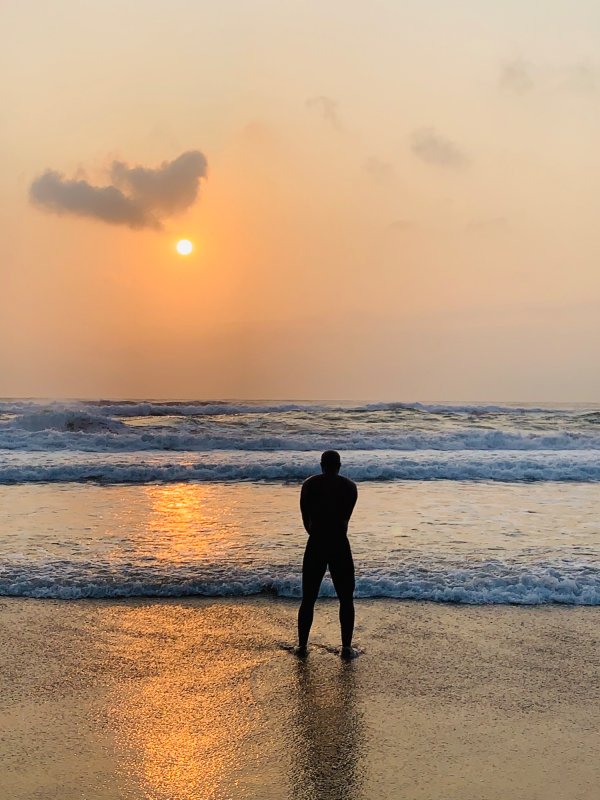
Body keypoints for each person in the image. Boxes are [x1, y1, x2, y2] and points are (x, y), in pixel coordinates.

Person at [295, 450, 358, 659]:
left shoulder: (310, 485)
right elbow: (345, 519)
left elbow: (306, 519)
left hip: (317, 542)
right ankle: (346, 647)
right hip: (339, 542)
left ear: (322, 465)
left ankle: (302, 646)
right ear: (339, 466)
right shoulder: (349, 487)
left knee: (309, 598)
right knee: (346, 598)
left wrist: (316, 532)